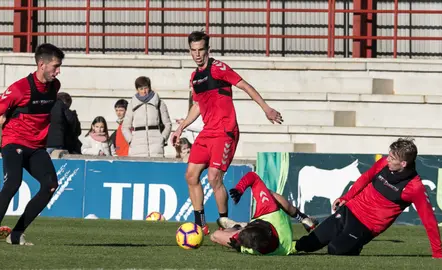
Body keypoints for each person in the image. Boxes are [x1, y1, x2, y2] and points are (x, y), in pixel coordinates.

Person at [170, 30, 284, 235]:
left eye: (201, 50)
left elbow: (245, 86)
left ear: (208, 50)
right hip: (207, 132)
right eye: (193, 50)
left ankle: (224, 220)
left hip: (225, 131)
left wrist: (266, 108)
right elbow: (197, 105)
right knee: (190, 175)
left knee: (214, 176)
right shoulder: (195, 77)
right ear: (189, 51)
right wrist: (181, 127)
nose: (197, 54)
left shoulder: (218, 68)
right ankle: (200, 225)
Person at [295, 138, 442, 258]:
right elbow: (365, 178)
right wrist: (346, 197)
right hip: (350, 210)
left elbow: (429, 220)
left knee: (334, 249)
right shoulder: (383, 164)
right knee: (308, 244)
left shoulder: (414, 187)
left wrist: (437, 253)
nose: (388, 160)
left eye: (392, 158)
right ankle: (286, 247)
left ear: (403, 163)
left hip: (365, 227)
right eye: (389, 155)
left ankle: (356, 245)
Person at [0, 43, 64, 245]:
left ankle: (16, 233)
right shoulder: (19, 88)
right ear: (41, 64)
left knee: (50, 186)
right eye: (55, 66)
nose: (58, 71)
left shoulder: (55, 87)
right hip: (14, 141)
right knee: (13, 183)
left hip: (36, 147)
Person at [210, 172, 317, 255]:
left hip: (247, 234)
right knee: (270, 194)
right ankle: (302, 218)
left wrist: (238, 246)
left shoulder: (251, 247)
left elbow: (214, 236)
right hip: (270, 214)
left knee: (218, 235)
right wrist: (239, 189)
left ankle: (237, 226)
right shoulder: (270, 209)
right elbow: (253, 177)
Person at [122, 76, 172, 157]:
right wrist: (131, 141)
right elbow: (125, 127)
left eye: (146, 88)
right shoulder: (131, 104)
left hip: (156, 145)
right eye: (141, 89)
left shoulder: (159, 103)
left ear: (149, 87)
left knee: (156, 169)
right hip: (137, 145)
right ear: (137, 90)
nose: (144, 91)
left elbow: (168, 124)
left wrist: (162, 139)